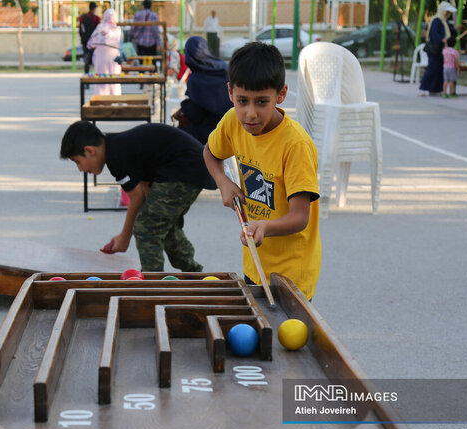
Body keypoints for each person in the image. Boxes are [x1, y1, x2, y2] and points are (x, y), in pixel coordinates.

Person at [202, 42, 321, 300]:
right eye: (242, 101)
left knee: (286, 338)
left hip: (292, 275)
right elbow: (210, 153)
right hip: (255, 265)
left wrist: (264, 227)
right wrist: (223, 181)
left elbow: (300, 217)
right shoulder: (232, 121)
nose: (250, 114)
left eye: (262, 102)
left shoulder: (295, 145)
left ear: (281, 94)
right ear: (230, 92)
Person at [60, 121, 216, 272]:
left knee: (146, 228)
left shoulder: (115, 156)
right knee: (161, 225)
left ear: (90, 151)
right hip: (189, 168)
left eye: (77, 161)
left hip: (183, 170)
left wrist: (124, 236)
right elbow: (144, 189)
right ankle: (193, 273)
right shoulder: (117, 146)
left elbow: (137, 198)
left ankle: (152, 284)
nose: (80, 169)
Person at [173, 36, 232, 145]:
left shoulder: (196, 79)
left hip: (213, 131)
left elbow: (195, 114)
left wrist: (184, 107)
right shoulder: (225, 68)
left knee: (174, 136)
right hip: (233, 127)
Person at [419, 1, 458, 96]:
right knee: (432, 69)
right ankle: (423, 89)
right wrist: (442, 39)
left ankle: (435, 90)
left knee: (440, 70)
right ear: (442, 11)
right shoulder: (436, 21)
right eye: (447, 12)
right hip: (435, 50)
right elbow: (434, 35)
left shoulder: (444, 21)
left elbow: (450, 31)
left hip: (442, 51)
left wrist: (456, 30)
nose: (448, 14)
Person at [87, 8, 123, 96]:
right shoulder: (118, 30)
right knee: (114, 80)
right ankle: (115, 100)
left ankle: (100, 100)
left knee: (100, 80)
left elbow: (90, 43)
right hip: (114, 58)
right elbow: (121, 46)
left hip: (100, 57)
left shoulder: (100, 28)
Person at [79, 2, 101, 74]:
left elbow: (81, 29)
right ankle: (96, 74)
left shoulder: (83, 17)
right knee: (95, 58)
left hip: (85, 40)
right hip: (93, 41)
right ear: (94, 9)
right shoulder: (96, 18)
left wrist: (82, 37)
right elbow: (98, 30)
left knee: (87, 57)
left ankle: (86, 73)